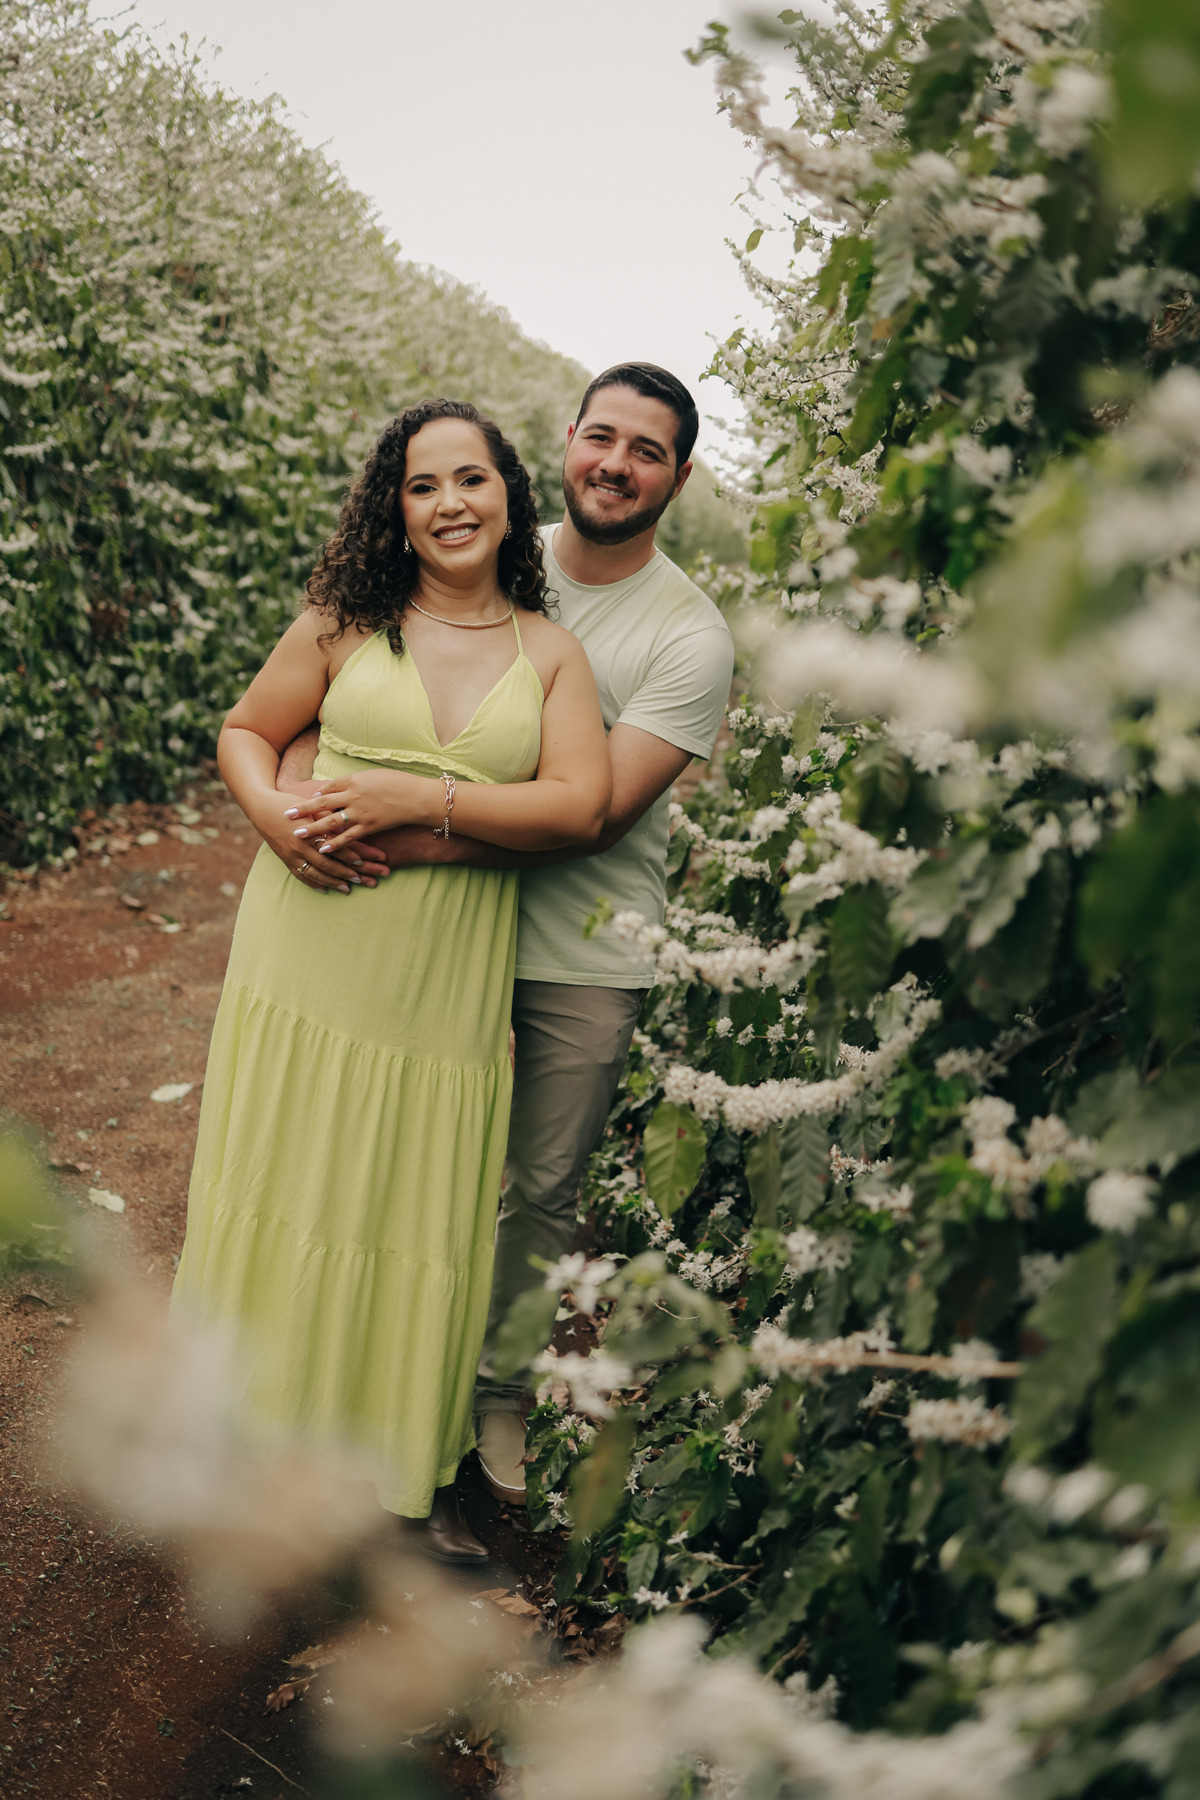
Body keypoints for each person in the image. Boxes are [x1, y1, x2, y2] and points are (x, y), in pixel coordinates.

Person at [281, 365, 736, 1507]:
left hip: (583, 944)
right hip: (437, 931)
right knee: (405, 1156)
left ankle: (493, 1394)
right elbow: (329, 686)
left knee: (538, 1186)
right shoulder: (475, 545)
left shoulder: (689, 634)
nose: (616, 465)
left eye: (647, 452)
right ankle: (378, 1379)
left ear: (679, 478)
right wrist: (303, 796)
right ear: (567, 440)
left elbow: (594, 819)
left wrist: (397, 826)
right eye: (602, 437)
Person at [173, 399, 611, 1563]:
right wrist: (274, 820)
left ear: (509, 494)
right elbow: (246, 733)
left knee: (410, 1204)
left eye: (471, 478)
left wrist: (421, 797)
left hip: (442, 969)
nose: (450, 503)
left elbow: (578, 807)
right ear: (395, 510)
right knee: (287, 1180)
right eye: (423, 486)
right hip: (310, 945)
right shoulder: (345, 623)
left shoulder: (549, 653)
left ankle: (382, 1477)